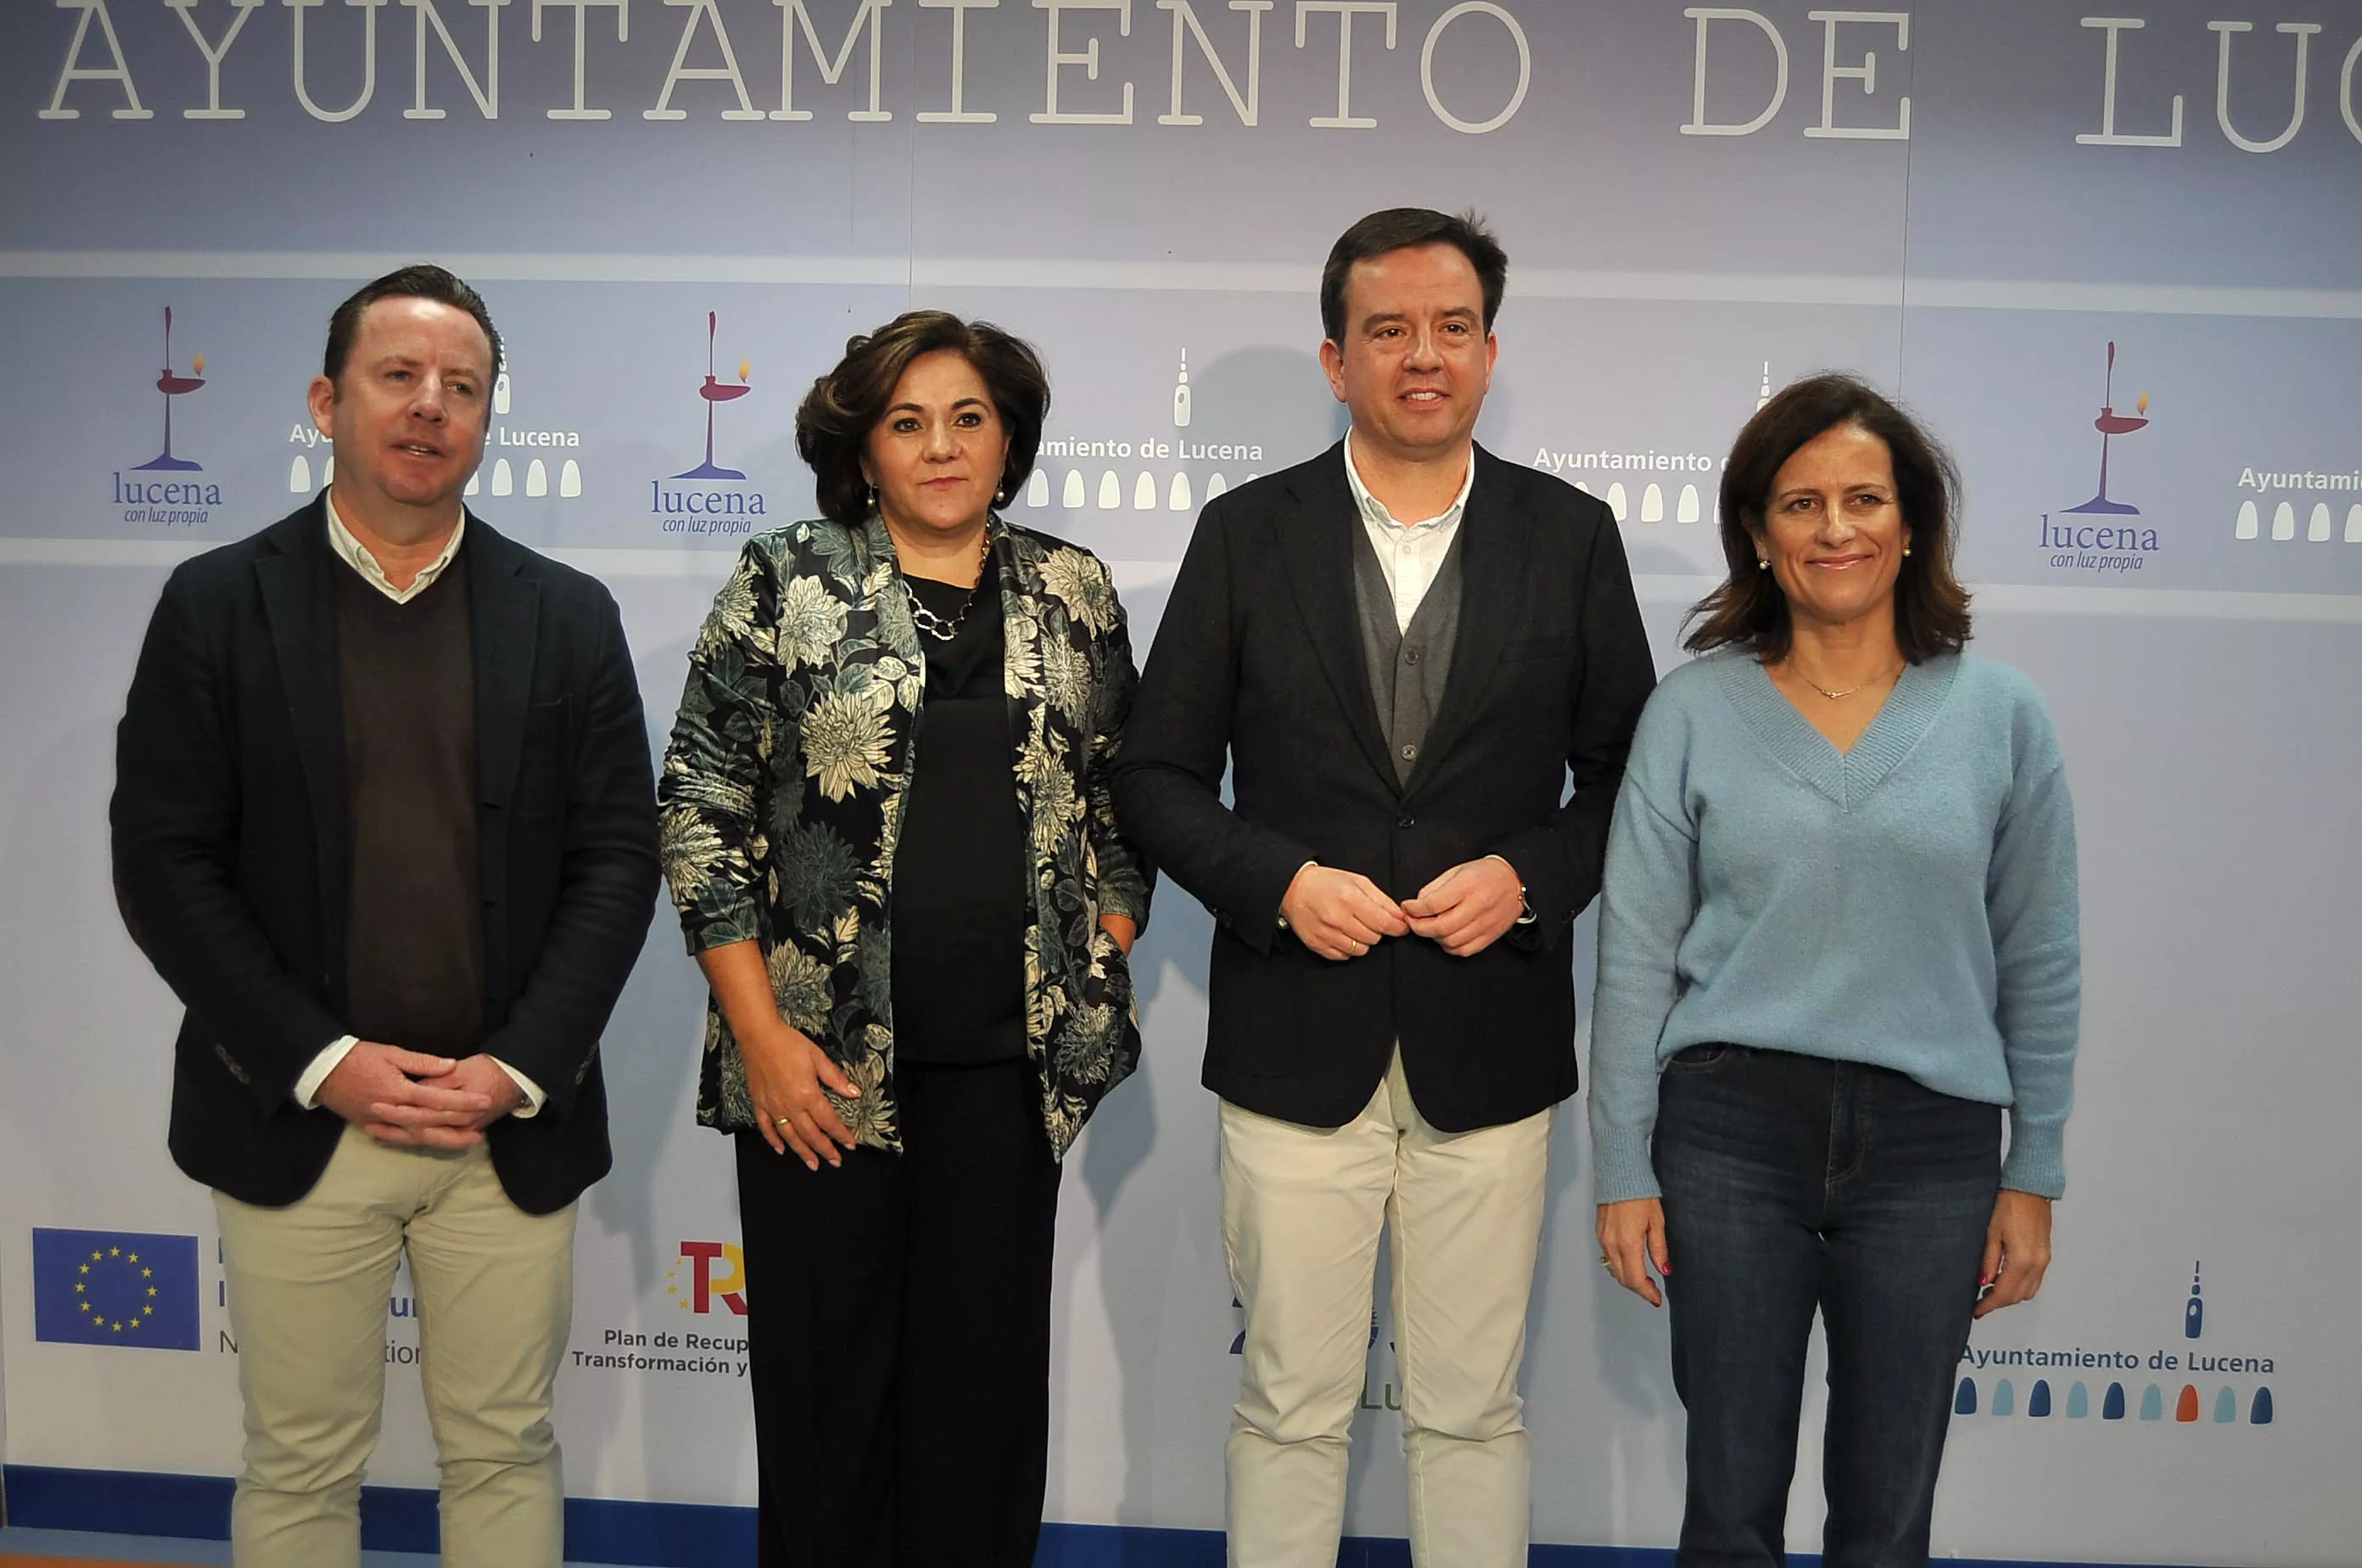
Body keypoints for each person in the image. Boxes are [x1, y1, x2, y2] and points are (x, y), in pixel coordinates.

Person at [1113, 209, 1656, 1567]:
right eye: (1390, 331)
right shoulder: (1247, 535)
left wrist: (1532, 880)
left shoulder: (1572, 535)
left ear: (1490, 352)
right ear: (1335, 358)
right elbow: (1157, 775)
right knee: (1291, 1406)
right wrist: (1278, 879)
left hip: (1492, 1048)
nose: (1425, 356)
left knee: (1473, 1414)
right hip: (1297, 1038)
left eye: (1453, 329)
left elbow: (1634, 781)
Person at [109, 265, 661, 1568]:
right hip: (294, 1113)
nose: (429, 408)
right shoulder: (216, 605)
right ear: (327, 400)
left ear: (486, 417)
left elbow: (618, 859)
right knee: (300, 1462)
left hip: (501, 1127)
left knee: (505, 1448)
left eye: (460, 388)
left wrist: (517, 1067)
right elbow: (166, 865)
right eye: (397, 377)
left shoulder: (568, 618)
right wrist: (326, 1063)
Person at [658, 309, 1151, 1567]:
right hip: (819, 1074)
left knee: (980, 1414)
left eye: (969, 418)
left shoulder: (1072, 588)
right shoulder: (786, 578)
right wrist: (760, 1039)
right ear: (863, 448)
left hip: (1008, 1070)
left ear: (1010, 440)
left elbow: (1119, 791)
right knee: (830, 1414)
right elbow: (701, 805)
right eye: (908, 421)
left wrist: (1110, 925)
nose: (941, 446)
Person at [1589, 374, 2081, 1567]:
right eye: (1800, 503)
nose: (1835, 528)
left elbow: (2043, 956)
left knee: (1888, 1515)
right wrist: (1621, 1164)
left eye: (1866, 498)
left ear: (1913, 525)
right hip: (1728, 1136)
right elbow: (1636, 955)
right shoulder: (1692, 712)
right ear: (1758, 533)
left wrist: (2037, 1168)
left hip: (1933, 1145)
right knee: (1730, 1507)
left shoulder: (2003, 715)